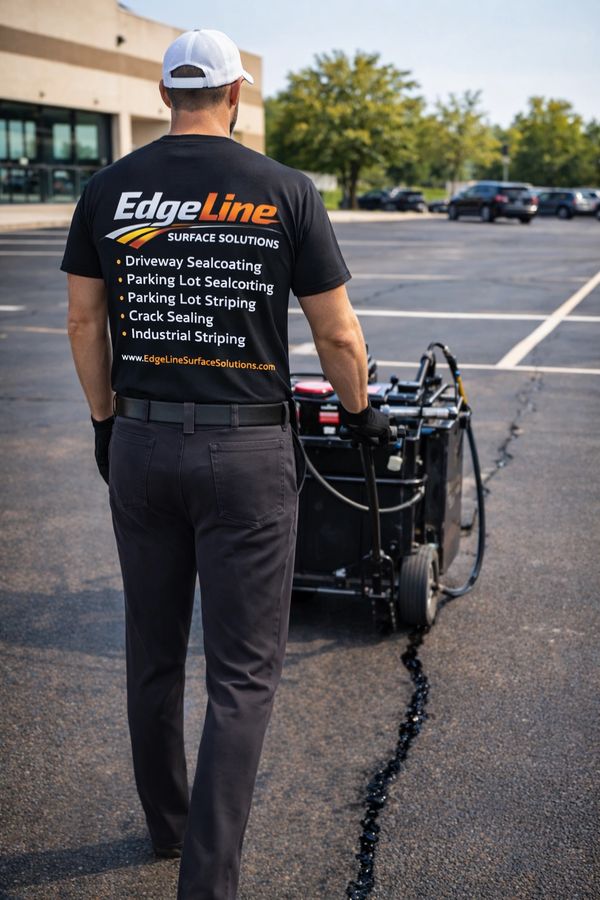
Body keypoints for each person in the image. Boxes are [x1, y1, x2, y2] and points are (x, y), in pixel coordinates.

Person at [62, 28, 390, 900]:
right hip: (247, 451)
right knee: (243, 674)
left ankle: (168, 830)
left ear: (165, 92)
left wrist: (105, 424)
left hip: (139, 440)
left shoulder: (107, 188)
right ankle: (208, 882)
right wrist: (359, 416)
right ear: (235, 96)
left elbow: (83, 326)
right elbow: (339, 334)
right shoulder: (285, 189)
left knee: (153, 651)